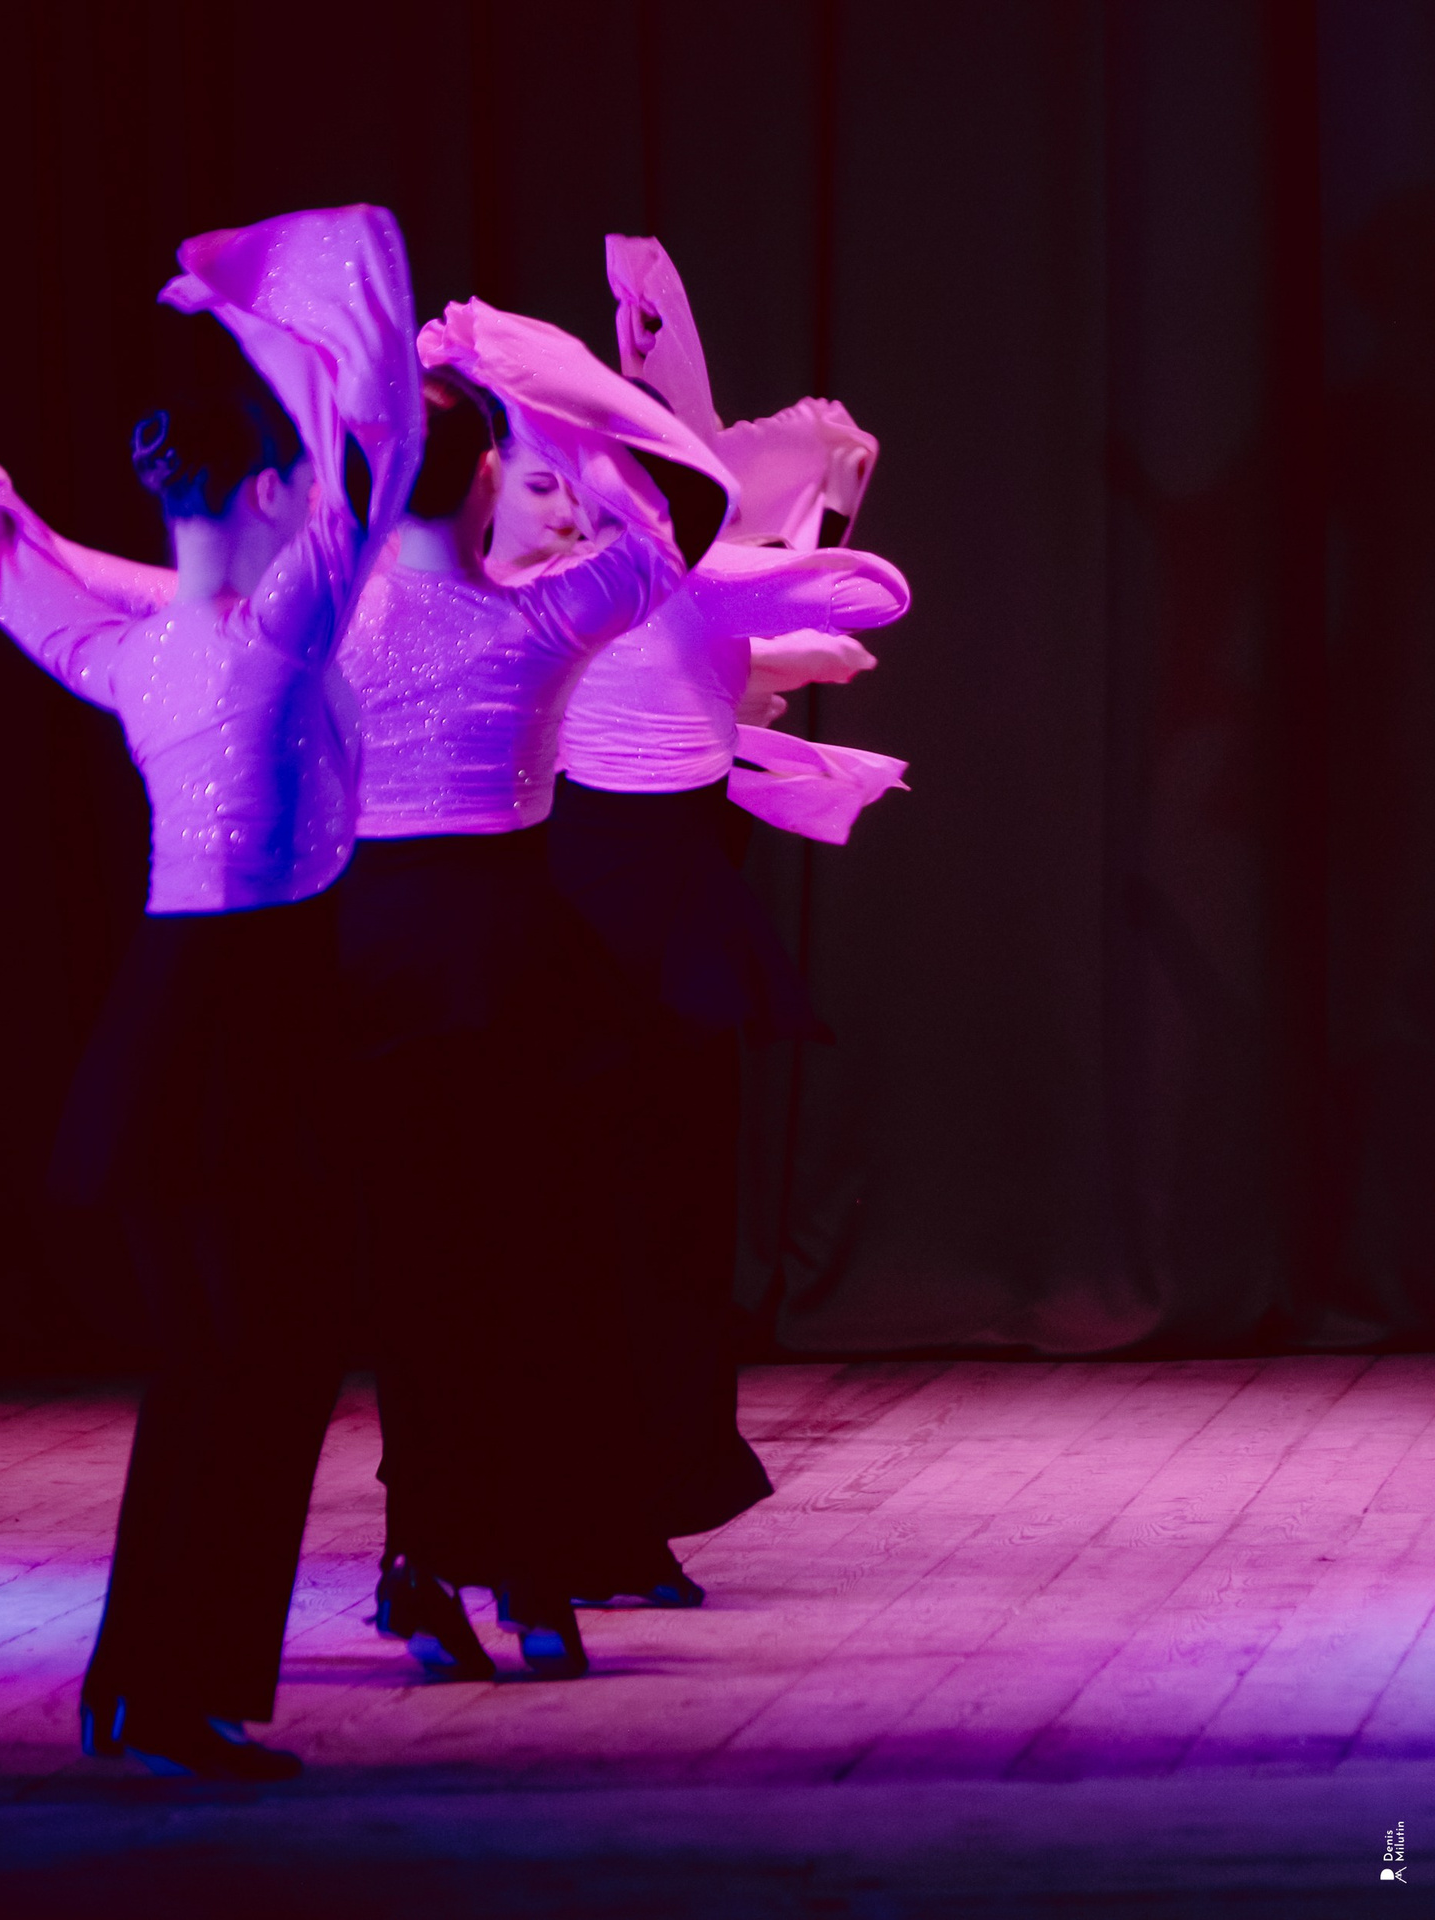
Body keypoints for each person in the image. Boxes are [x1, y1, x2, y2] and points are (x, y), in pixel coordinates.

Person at [0, 205, 421, 1780]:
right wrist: (283, 336)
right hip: (249, 1029)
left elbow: (8, 566)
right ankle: (171, 1690)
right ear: (268, 498)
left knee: (220, 1366)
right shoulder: (269, 643)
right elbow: (374, 472)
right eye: (298, 490)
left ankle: (146, 1685)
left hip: (175, 1029)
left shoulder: (136, 661)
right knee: (257, 1366)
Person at [338, 297, 909, 1680]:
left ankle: (513, 1543)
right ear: (482, 480)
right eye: (523, 475)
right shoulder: (516, 618)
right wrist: (562, 392)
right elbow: (690, 530)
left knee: (511, 1261)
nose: (550, 502)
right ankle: (479, 1549)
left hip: (466, 961)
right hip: (485, 959)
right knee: (487, 1262)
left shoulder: (410, 614)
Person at [529, 234, 910, 1603]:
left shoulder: (672, 575)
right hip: (592, 901)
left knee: (660, 1212)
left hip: (654, 898)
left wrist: (813, 505)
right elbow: (835, 605)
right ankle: (576, 1497)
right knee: (606, 1213)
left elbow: (831, 615)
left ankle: (634, 1489)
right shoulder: (590, 579)